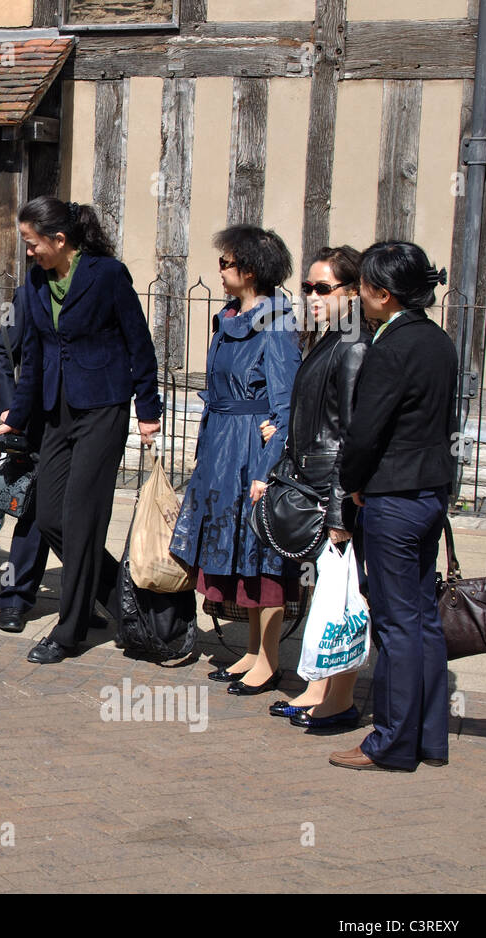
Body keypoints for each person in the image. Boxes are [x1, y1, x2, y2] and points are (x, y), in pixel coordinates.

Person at [0, 198, 161, 664]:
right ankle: (118, 596)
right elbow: (34, 355)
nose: (28, 253)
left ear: (59, 240)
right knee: (48, 517)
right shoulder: (36, 280)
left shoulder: (107, 275)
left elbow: (138, 342)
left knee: (83, 518)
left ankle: (69, 632)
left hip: (103, 409)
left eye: (32, 243)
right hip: (55, 411)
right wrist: (15, 418)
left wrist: (149, 408)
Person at [330, 242, 457, 772]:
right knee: (422, 619)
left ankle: (392, 740)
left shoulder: (393, 346)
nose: (357, 296)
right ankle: (428, 737)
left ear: (383, 295)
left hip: (394, 496)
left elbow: (365, 433)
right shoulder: (437, 341)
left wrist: (353, 484)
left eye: (362, 287)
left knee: (398, 623)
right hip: (429, 493)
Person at [169, 225, 300, 693]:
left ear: (249, 269)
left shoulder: (278, 324)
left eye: (225, 263)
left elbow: (284, 404)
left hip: (251, 450)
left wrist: (266, 467)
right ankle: (250, 651)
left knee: (261, 555)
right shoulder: (227, 317)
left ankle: (269, 661)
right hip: (222, 448)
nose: (220, 271)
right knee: (237, 556)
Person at [261, 246, 370, 728]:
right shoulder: (328, 339)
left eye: (322, 288)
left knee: (343, 598)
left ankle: (339, 700)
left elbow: (350, 433)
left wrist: (339, 508)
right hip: (310, 478)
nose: (311, 296)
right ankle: (318, 689)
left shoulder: (353, 345)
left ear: (353, 291)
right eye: (306, 288)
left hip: (332, 486)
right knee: (330, 594)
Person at [0, 309, 50, 633]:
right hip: (36, 422)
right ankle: (15, 597)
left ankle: (87, 597)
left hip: (84, 421)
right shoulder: (29, 297)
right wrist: (12, 409)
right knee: (34, 512)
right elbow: (1, 352)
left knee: (80, 516)